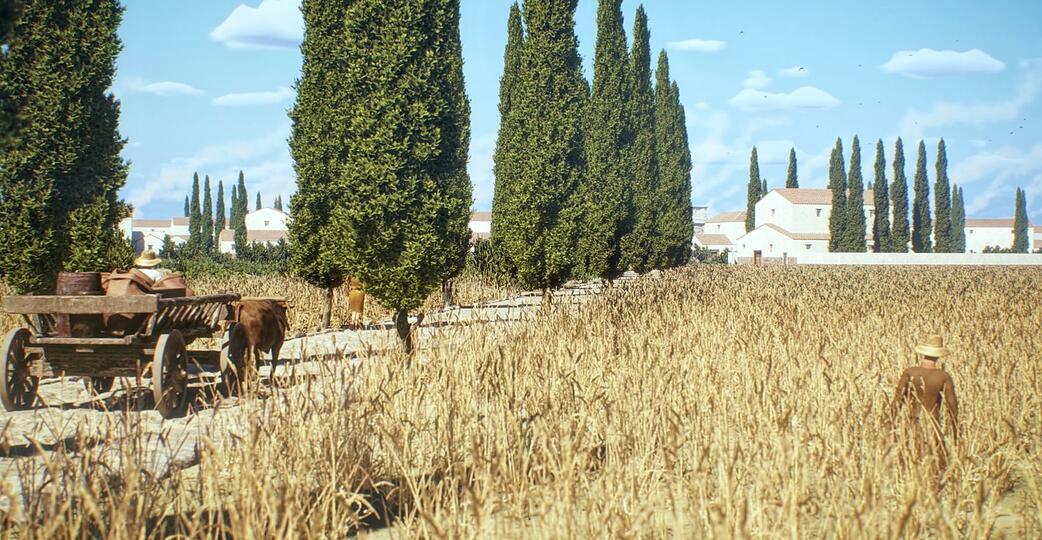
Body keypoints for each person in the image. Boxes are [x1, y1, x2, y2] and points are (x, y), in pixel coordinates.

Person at [890, 334, 959, 479]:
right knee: (937, 465)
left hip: (912, 422)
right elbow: (952, 406)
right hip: (933, 424)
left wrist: (891, 422)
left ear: (923, 353)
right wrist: (956, 429)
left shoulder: (909, 372)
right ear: (939, 355)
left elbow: (897, 400)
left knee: (908, 461)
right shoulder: (943, 377)